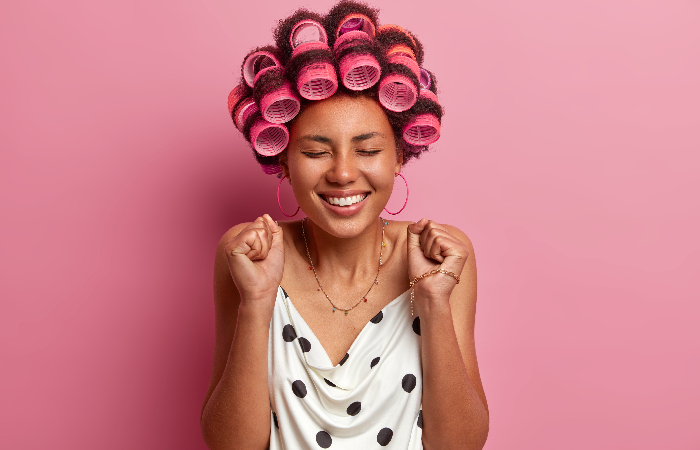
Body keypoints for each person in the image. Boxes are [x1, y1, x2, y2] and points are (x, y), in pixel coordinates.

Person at [200, 2, 489, 449]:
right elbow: (229, 446)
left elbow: (461, 445)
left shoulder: (442, 258)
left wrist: (432, 302)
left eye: (368, 150)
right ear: (283, 160)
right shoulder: (245, 257)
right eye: (316, 153)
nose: (342, 173)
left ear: (399, 156)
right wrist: (257, 302)